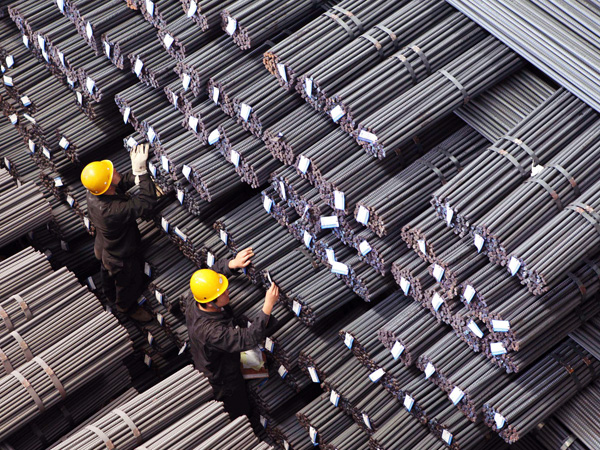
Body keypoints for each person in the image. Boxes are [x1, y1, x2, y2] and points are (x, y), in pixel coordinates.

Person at [185, 248, 280, 419]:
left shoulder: (196, 297)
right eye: (223, 293)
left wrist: (232, 264)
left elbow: (213, 274)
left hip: (213, 354)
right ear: (211, 303)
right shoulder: (212, 333)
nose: (227, 291)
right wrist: (268, 306)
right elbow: (249, 337)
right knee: (238, 406)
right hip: (223, 378)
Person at [81, 144, 156, 322]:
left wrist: (136, 175)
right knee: (127, 283)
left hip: (104, 247)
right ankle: (126, 307)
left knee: (107, 273)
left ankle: (109, 294)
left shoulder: (94, 192)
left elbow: (119, 184)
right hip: (120, 256)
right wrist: (142, 174)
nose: (114, 170)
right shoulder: (112, 210)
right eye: (111, 172)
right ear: (107, 185)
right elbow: (147, 202)